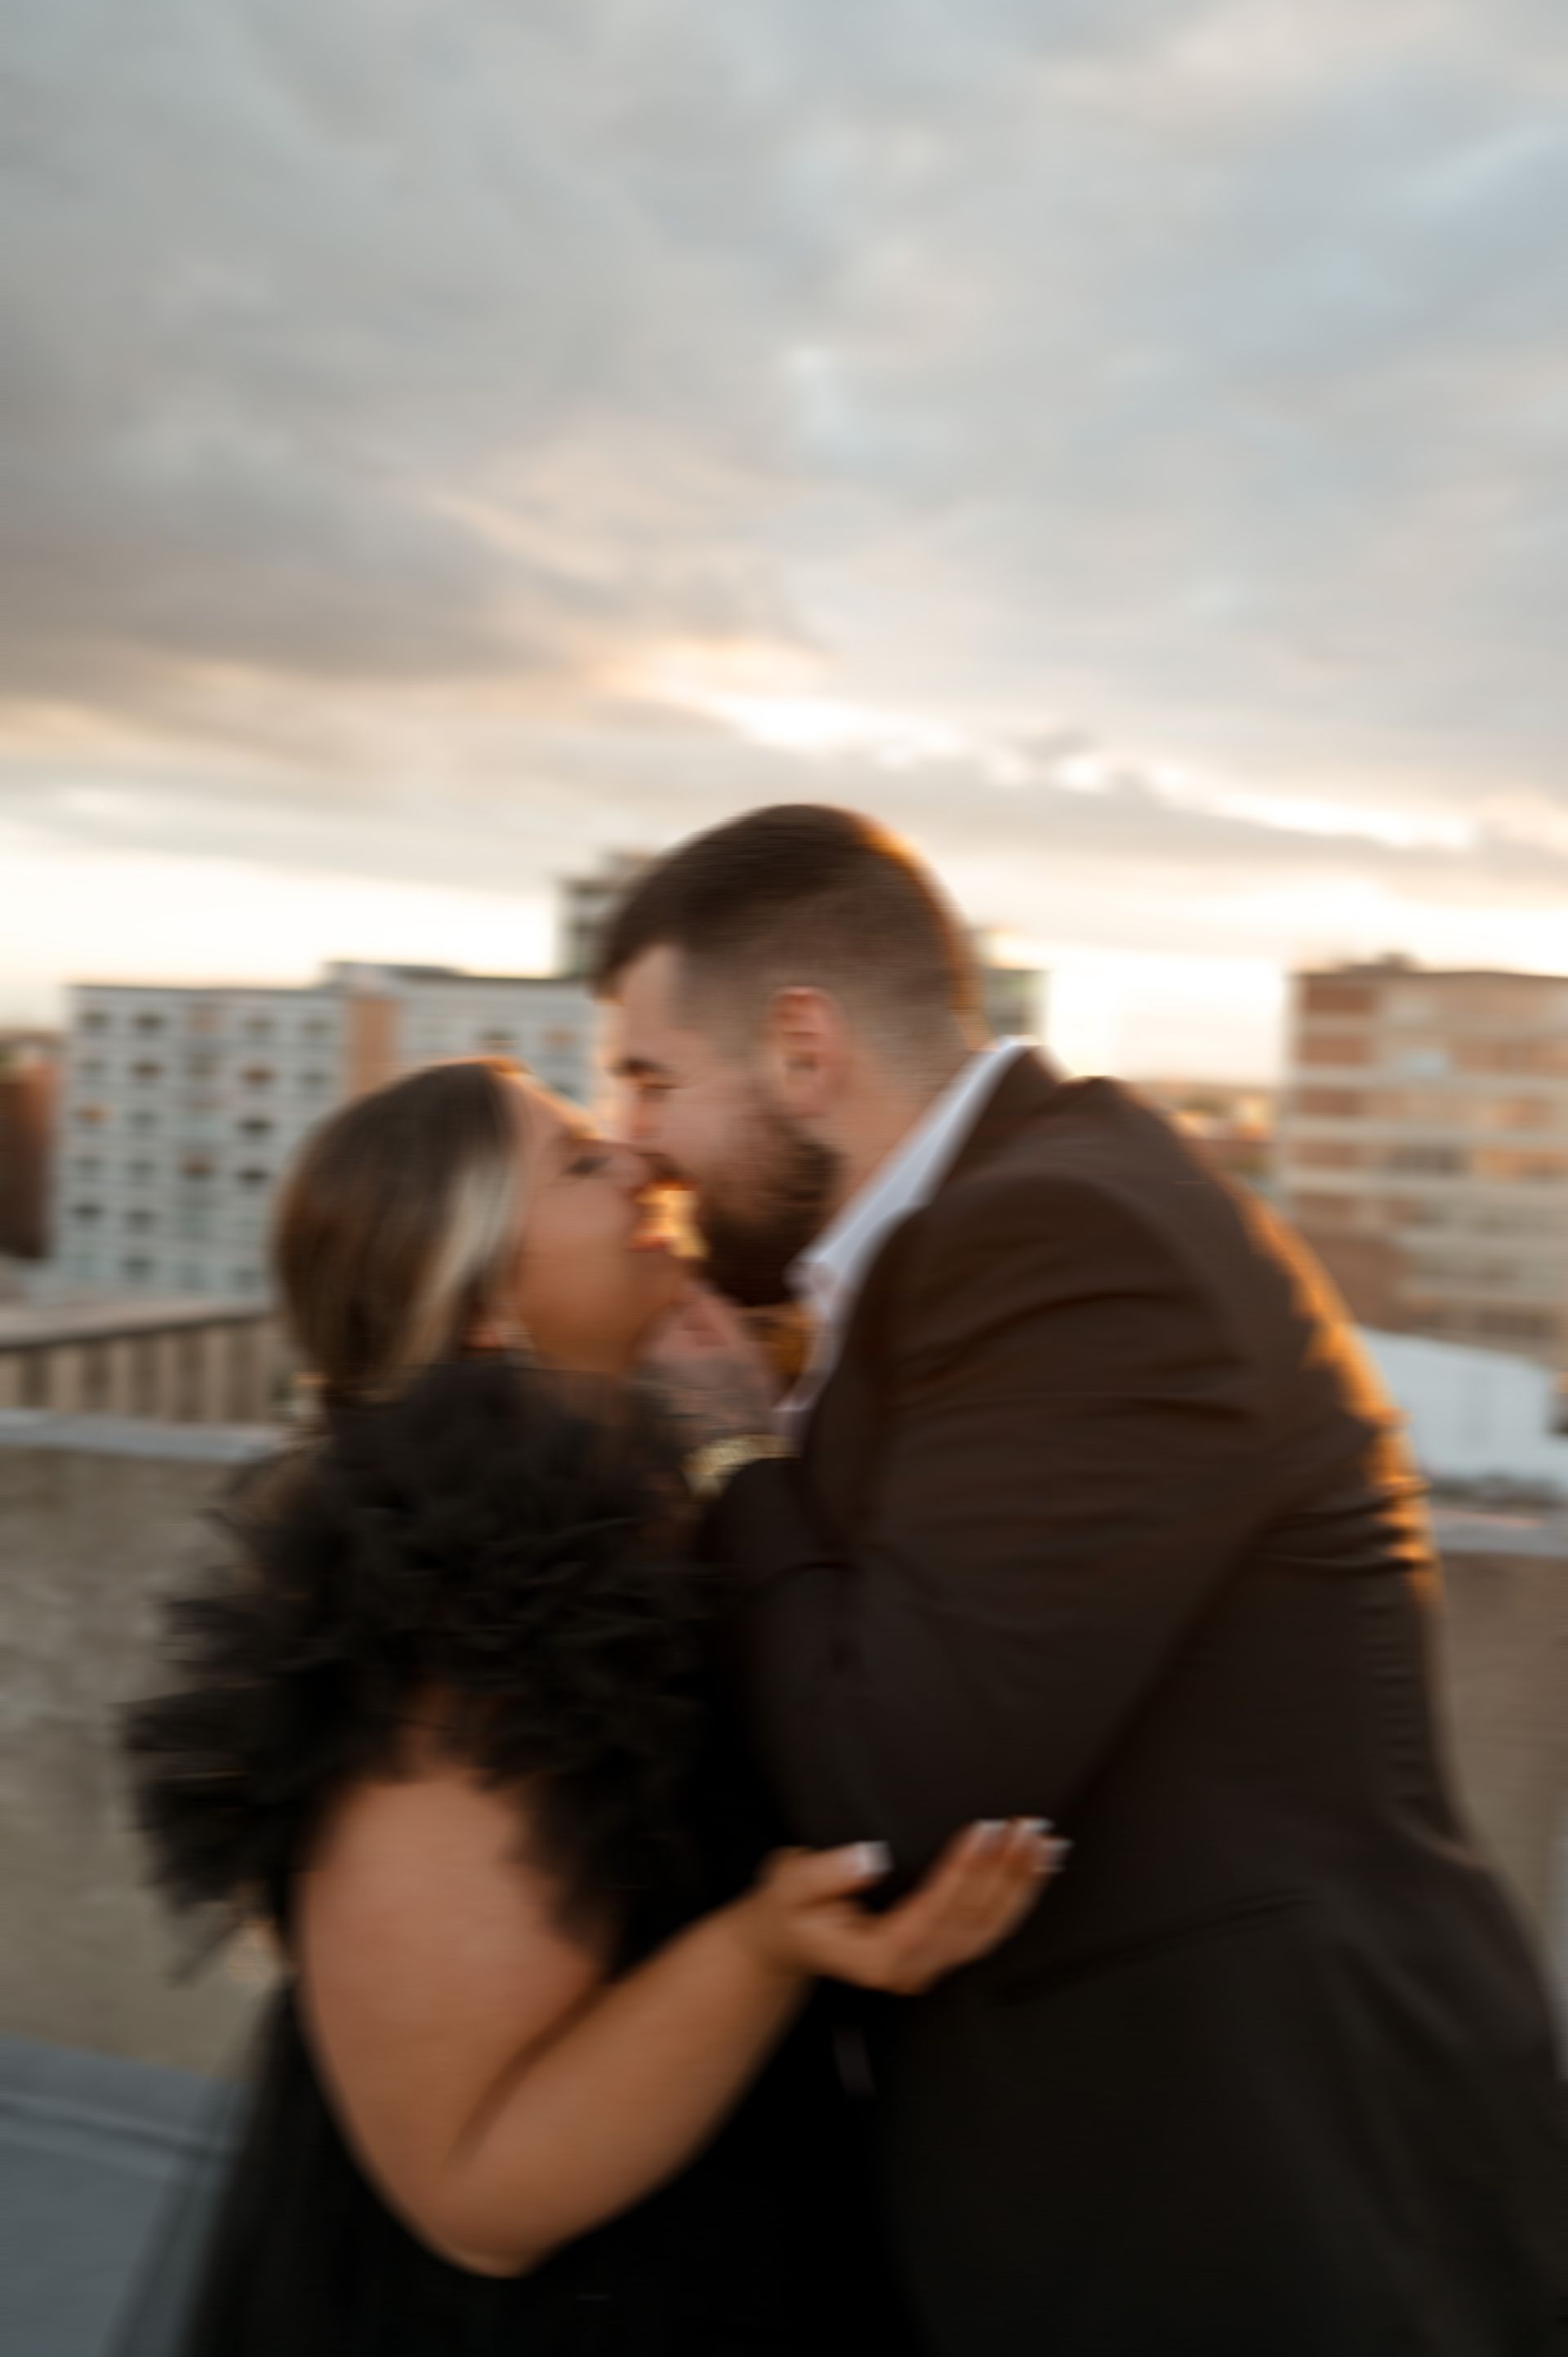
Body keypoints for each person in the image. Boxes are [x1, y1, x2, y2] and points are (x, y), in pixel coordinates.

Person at [598, 803, 1568, 2357]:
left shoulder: (1065, 1236)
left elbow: (881, 1789)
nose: (630, 1136)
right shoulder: (980, 1228)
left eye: (650, 1077)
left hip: (1257, 2203)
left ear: (801, 1045)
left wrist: (729, 1454)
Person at [120, 1056, 1062, 2357]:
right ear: (487, 1303)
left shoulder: (646, 1510)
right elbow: (473, 2193)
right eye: (578, 1160)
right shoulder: (446, 1628)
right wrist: (763, 1948)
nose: (643, 1160)